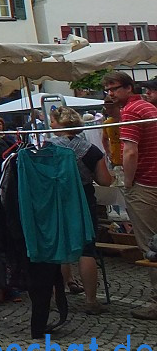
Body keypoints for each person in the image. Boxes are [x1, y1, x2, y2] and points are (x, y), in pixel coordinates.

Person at [49, 106, 113, 315]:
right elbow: (104, 180)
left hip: (56, 201)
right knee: (87, 248)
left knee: (57, 247)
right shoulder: (91, 150)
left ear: (58, 123)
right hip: (84, 199)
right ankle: (91, 300)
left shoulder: (47, 148)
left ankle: (54, 298)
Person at [106, 71, 157, 319]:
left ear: (128, 88)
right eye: (108, 89)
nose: (110, 94)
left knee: (150, 246)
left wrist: (128, 182)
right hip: (154, 178)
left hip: (145, 184)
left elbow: (130, 152)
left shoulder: (131, 111)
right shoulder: (148, 107)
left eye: (114, 88)